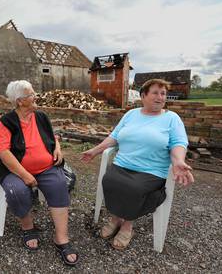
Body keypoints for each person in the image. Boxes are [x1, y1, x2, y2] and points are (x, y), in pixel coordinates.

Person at [81, 79, 194, 250]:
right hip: (123, 164)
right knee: (109, 181)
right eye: (155, 93)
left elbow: (179, 143)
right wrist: (95, 150)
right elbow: (115, 136)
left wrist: (178, 160)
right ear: (143, 96)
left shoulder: (172, 118)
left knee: (133, 188)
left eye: (163, 94)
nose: (160, 97)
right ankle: (115, 218)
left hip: (151, 171)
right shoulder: (131, 114)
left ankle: (127, 226)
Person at [0, 80, 79, 266]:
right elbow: (2, 151)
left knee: (59, 184)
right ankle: (27, 227)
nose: (35, 97)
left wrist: (57, 147)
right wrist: (25, 175)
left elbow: (53, 136)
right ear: (20, 101)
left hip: (46, 168)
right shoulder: (6, 122)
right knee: (17, 191)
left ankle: (61, 238)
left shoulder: (40, 116)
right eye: (31, 94)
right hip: (15, 171)